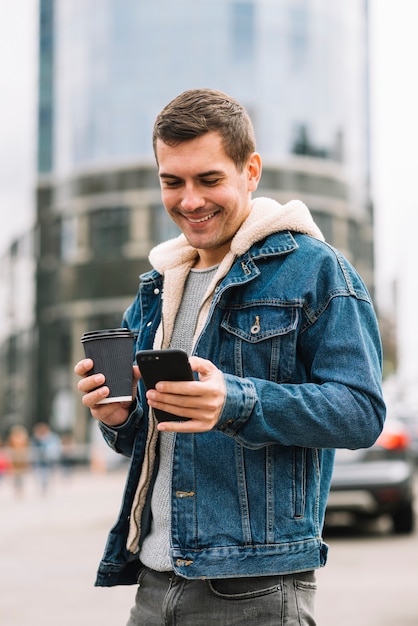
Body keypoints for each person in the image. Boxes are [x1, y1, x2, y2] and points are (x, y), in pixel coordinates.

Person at [75, 88, 386, 625]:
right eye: (172, 182)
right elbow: (151, 439)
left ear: (251, 171)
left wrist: (235, 401)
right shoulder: (155, 289)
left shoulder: (317, 271)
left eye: (209, 179)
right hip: (152, 586)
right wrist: (120, 418)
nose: (189, 200)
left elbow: (361, 412)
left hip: (256, 592)